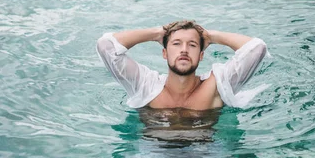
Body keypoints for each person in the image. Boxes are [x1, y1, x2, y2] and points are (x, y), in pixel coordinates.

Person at [96, 20, 268, 110]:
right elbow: (106, 46)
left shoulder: (216, 86)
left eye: (192, 45)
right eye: (176, 44)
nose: (184, 50)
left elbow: (257, 49)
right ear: (164, 53)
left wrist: (211, 36)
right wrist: (156, 33)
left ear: (201, 55)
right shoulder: (146, 86)